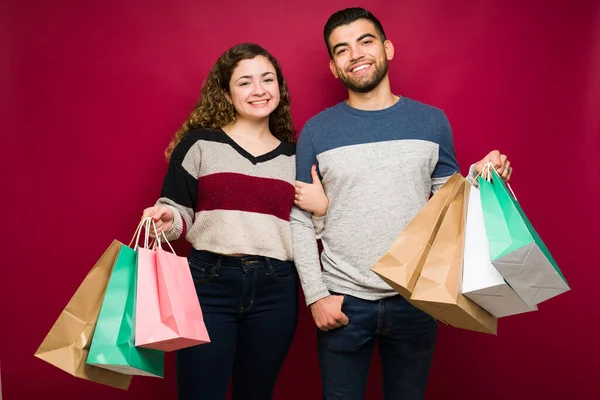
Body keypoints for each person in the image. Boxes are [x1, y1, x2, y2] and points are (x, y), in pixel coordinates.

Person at [290, 8, 513, 400]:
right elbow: (300, 220)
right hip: (343, 301)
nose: (355, 54)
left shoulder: (431, 122)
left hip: (416, 300)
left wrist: (482, 176)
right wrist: (316, 297)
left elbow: (452, 206)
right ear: (333, 66)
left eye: (365, 41)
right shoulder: (316, 130)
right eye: (342, 49)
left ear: (387, 48)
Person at [141, 43, 327, 400]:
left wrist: (321, 210)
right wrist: (168, 218)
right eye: (245, 82)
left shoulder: (297, 155)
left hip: (277, 288)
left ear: (280, 88)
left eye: (267, 79)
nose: (258, 90)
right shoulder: (199, 145)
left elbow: (309, 230)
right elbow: (178, 212)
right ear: (226, 93)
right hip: (207, 283)